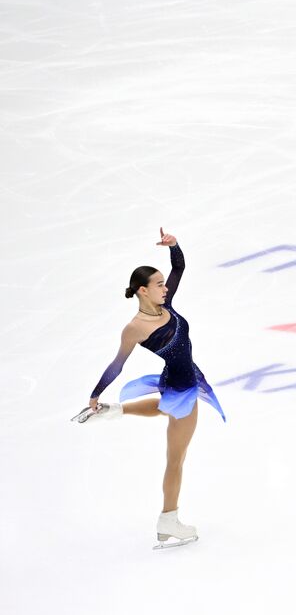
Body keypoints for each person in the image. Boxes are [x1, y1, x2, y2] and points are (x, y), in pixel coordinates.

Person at [74, 229, 226, 550]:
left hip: (177, 378)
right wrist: (95, 392)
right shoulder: (135, 329)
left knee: (165, 412)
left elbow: (180, 268)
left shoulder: (165, 303)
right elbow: (118, 364)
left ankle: (115, 412)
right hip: (182, 386)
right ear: (143, 291)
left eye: (163, 283)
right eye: (158, 284)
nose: (165, 287)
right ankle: (168, 519)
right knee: (176, 458)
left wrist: (174, 246)